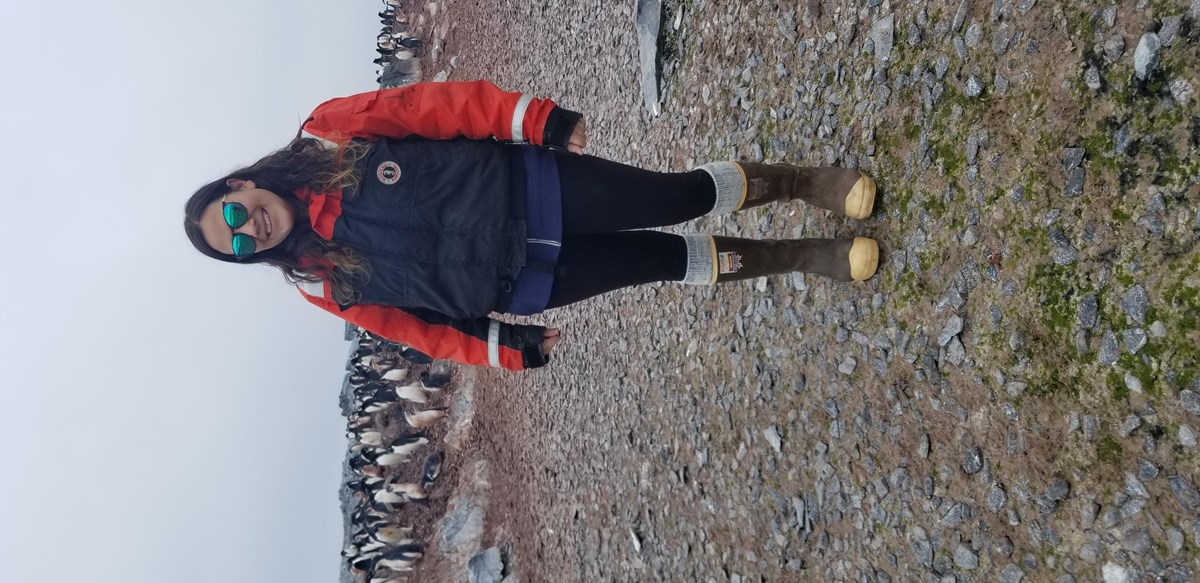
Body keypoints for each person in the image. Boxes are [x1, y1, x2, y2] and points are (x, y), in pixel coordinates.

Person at [184, 81, 879, 371]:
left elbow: (437, 108)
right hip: (527, 282)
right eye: (239, 245)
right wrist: (505, 346)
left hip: (537, 189)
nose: (252, 230)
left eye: (235, 214)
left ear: (240, 183)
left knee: (681, 197)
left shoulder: (330, 134)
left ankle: (806, 183)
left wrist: (533, 120)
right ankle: (804, 255)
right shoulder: (320, 282)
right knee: (670, 263)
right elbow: (419, 327)